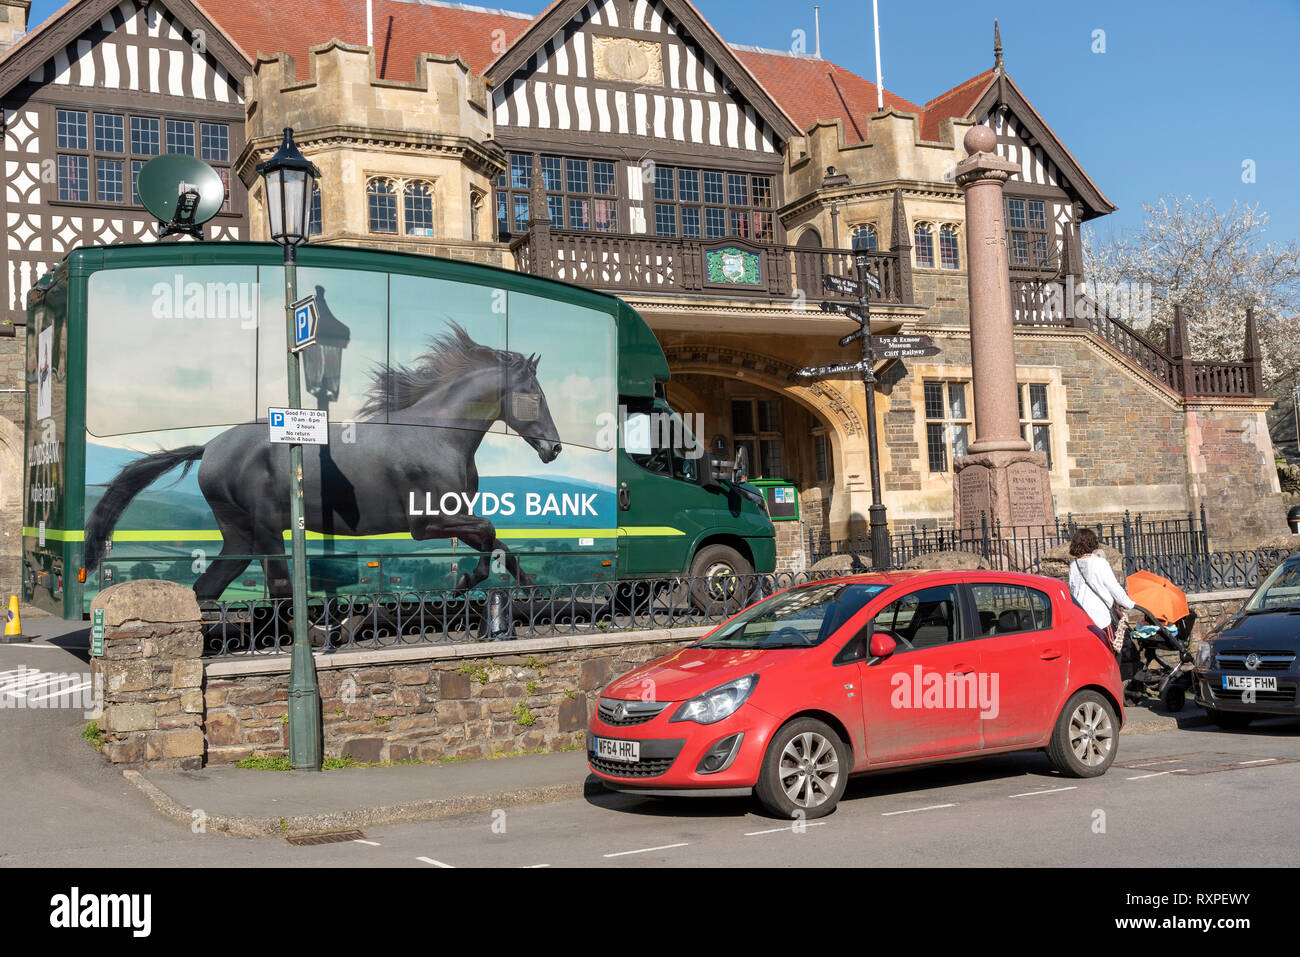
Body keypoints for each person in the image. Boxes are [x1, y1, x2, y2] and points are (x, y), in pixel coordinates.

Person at [1067, 528, 1137, 662]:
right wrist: (1129, 603)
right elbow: (1113, 587)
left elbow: (1073, 591)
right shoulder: (1100, 563)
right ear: (1093, 543)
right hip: (1100, 616)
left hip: (1082, 617)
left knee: (1090, 653)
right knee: (1110, 652)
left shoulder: (1073, 565)